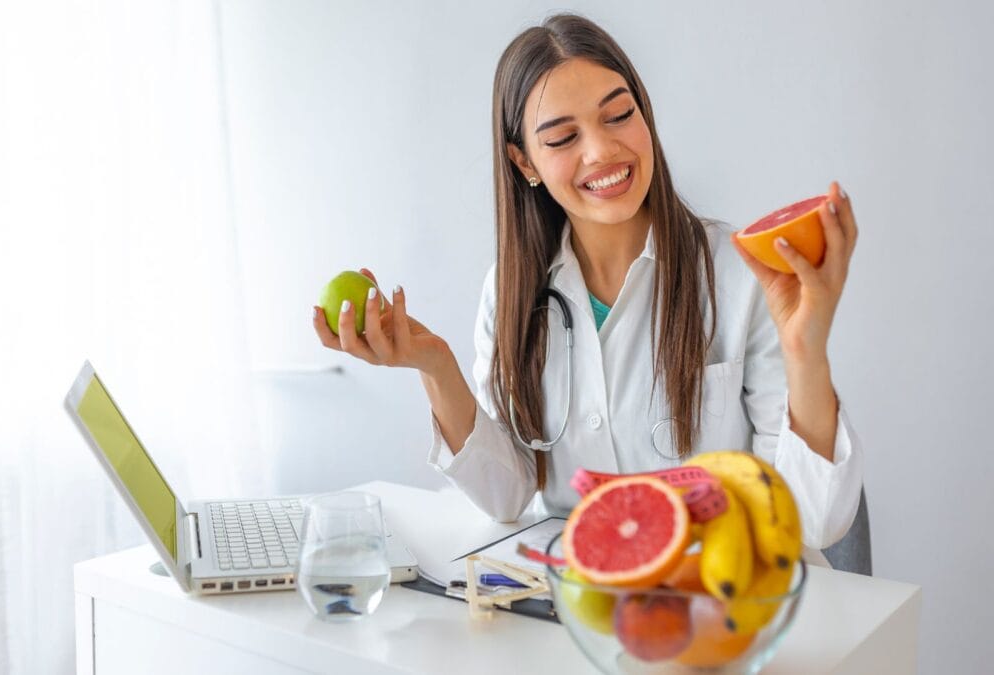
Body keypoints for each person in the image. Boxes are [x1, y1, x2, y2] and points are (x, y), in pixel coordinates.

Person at [312, 13, 861, 550]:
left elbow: (813, 522)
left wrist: (806, 350)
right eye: (562, 137)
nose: (601, 151)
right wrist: (434, 364)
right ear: (524, 162)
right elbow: (507, 494)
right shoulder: (509, 292)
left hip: (725, 602)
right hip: (587, 604)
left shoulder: (738, 274)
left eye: (618, 115)